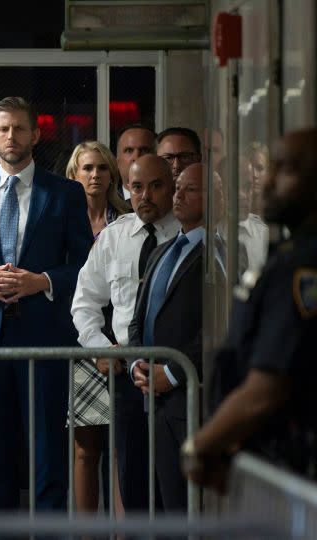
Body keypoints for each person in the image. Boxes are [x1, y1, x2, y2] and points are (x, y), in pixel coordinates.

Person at [0, 96, 94, 511]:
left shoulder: (65, 193)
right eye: (4, 129)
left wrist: (41, 281)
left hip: (44, 341)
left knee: (49, 462)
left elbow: (85, 263)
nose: (12, 136)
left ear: (36, 134)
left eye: (20, 128)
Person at [184, 128, 317, 491]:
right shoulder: (288, 255)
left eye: (286, 170)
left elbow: (267, 388)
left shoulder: (303, 266)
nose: (268, 181)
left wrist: (201, 446)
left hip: (296, 469)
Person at [70, 154, 180, 514]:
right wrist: (102, 348)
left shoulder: (190, 234)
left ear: (172, 187)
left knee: (176, 485)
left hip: (178, 374)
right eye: (136, 187)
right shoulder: (114, 238)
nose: (145, 195)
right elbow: (84, 304)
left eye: (156, 185)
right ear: (126, 189)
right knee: (132, 480)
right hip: (127, 376)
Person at [127, 162, 215, 512]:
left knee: (192, 508)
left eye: (190, 189)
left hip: (191, 398)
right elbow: (138, 320)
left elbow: (216, 329)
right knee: (165, 506)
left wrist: (174, 373)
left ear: (215, 197)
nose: (178, 195)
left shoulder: (221, 253)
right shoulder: (162, 250)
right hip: (154, 400)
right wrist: (136, 363)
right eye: (177, 187)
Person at [62, 141, 131, 513]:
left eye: (102, 168)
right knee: (86, 447)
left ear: (112, 175)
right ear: (74, 174)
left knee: (122, 446)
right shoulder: (59, 217)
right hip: (79, 337)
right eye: (86, 168)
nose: (94, 175)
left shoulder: (127, 221)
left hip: (120, 341)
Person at [114, 124, 156, 202]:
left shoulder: (172, 203)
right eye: (129, 151)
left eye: (144, 150)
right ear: (117, 162)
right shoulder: (105, 206)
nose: (136, 157)